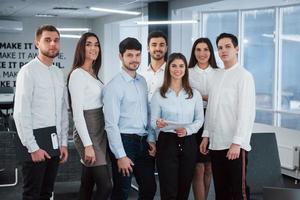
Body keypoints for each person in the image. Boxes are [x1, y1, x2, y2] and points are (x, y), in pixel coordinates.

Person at [13, 24, 69, 200]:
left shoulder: (58, 73)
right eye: (47, 40)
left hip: (54, 143)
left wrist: (63, 142)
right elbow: (21, 113)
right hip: (34, 143)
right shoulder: (27, 71)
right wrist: (33, 147)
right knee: (32, 194)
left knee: (47, 193)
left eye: (56, 40)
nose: (53, 44)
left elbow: (62, 110)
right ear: (37, 43)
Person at [200, 33, 256, 200]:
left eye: (228, 46)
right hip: (216, 144)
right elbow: (212, 108)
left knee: (238, 193)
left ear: (237, 49)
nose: (223, 50)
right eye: (220, 47)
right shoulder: (216, 75)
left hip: (235, 146)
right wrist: (206, 135)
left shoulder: (244, 76)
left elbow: (246, 112)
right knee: (221, 192)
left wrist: (237, 142)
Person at [103, 37, 156, 200]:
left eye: (138, 55)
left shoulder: (142, 81)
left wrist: (151, 138)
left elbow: (147, 113)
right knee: (122, 191)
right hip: (124, 142)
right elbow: (111, 124)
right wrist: (120, 155)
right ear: (121, 56)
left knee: (149, 187)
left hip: (142, 141)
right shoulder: (114, 86)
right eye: (130, 55)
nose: (134, 59)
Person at [151, 53, 204, 200]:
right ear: (168, 68)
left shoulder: (194, 94)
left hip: (188, 142)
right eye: (174, 66)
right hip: (166, 142)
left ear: (185, 69)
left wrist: (188, 130)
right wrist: (157, 123)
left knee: (184, 187)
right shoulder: (159, 94)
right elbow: (152, 120)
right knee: (169, 189)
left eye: (181, 66)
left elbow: (199, 120)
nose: (177, 69)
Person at [67, 32, 112, 200]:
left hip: (100, 131)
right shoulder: (77, 74)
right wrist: (87, 145)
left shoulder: (93, 72)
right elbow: (77, 114)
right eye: (89, 44)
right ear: (81, 48)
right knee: (106, 186)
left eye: (96, 44)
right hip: (88, 132)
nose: (94, 48)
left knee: (87, 182)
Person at [188, 38, 218, 200]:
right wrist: (207, 97)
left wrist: (199, 96)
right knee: (198, 167)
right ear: (194, 52)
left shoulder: (218, 72)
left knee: (209, 168)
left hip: (214, 120)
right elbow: (187, 96)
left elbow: (221, 99)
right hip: (195, 120)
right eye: (198, 49)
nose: (202, 53)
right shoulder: (188, 71)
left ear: (210, 52)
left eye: (205, 49)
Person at [141, 31, 168, 101]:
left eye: (161, 45)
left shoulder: (172, 74)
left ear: (166, 48)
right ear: (148, 48)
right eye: (154, 45)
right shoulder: (141, 75)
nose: (158, 48)